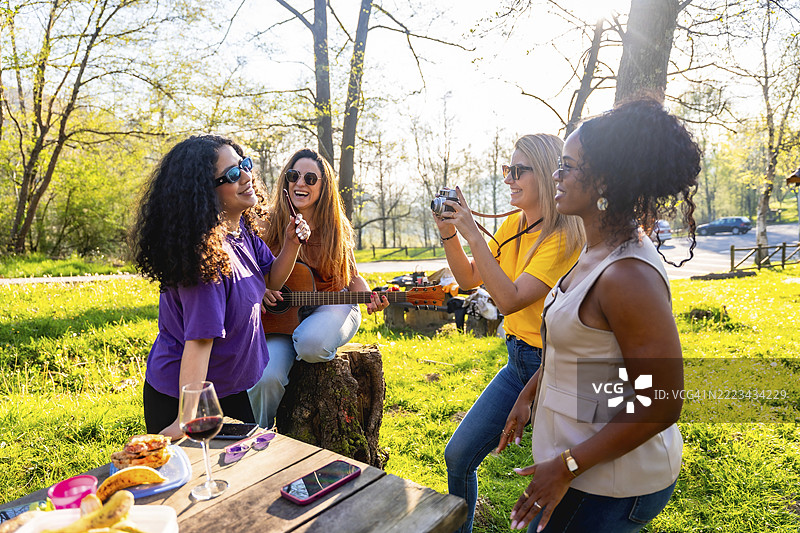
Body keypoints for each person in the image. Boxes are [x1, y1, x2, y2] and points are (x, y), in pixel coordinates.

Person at [497, 98, 701, 532]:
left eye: (567, 166)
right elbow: (580, 350)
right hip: (579, 469)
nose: (556, 174)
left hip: (610, 484)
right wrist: (530, 393)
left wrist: (567, 466)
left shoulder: (627, 274)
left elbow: (661, 400)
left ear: (604, 180)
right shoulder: (594, 247)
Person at [433, 134, 585, 533]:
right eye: (507, 170)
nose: (509, 179)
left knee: (553, 485)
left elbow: (511, 300)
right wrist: (450, 232)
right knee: (460, 454)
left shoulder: (564, 237)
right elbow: (468, 278)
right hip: (518, 361)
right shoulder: (516, 224)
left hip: (553, 370)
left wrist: (472, 233)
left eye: (519, 171)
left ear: (547, 173)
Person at [132, 135, 310, 439]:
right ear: (204, 194)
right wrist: (188, 419)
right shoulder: (205, 261)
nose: (246, 176)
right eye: (230, 175)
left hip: (228, 388)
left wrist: (292, 244)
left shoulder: (240, 231)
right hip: (187, 398)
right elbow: (199, 343)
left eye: (244, 164)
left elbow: (270, 281)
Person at [247, 148, 389, 429]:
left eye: (310, 178)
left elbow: (352, 277)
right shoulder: (266, 222)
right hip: (280, 320)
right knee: (266, 378)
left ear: (324, 186)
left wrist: (370, 295)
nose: (300, 183)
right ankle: (255, 440)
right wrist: (260, 290)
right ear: (285, 181)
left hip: (333, 305)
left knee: (312, 343)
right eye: (294, 175)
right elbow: (250, 271)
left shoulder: (335, 226)